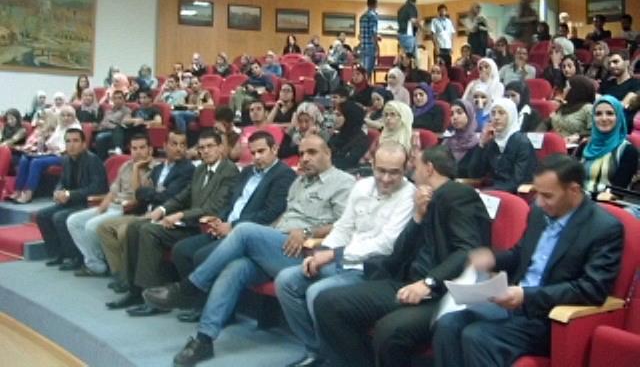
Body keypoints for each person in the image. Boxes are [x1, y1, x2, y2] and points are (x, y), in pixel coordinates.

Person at [142, 135, 355, 366]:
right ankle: (204, 339)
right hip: (281, 245)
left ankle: (188, 288)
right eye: (302, 153)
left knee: (243, 230)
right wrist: (267, 234)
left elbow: (344, 225)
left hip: (308, 253)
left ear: (328, 153)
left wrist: (306, 232)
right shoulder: (300, 182)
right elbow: (285, 217)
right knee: (235, 269)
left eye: (312, 152)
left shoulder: (343, 182)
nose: (304, 158)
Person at [432, 154, 623, 367]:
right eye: (537, 193)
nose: (539, 202)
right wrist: (492, 258)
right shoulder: (539, 212)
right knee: (447, 324)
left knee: (477, 336)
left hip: (550, 316)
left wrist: (527, 296)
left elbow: (591, 289)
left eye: (547, 196)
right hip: (515, 304)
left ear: (574, 190)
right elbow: (521, 254)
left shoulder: (604, 228)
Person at [315, 146, 492, 367]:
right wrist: (417, 217)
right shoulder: (424, 199)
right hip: (405, 281)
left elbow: (467, 249)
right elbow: (399, 253)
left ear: (429, 168)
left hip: (441, 292)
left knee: (389, 331)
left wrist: (429, 283)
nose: (412, 172)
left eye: (415, 166)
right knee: (327, 303)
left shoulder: (458, 194)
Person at [275, 141, 416, 367]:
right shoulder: (362, 187)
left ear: (405, 169)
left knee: (317, 293)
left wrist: (334, 255)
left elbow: (386, 245)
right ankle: (317, 351)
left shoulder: (409, 196)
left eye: (394, 172)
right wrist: (322, 252)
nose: (386, 178)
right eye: (381, 170)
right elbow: (343, 227)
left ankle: (335, 358)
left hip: (370, 269)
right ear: (372, 165)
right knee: (286, 281)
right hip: (342, 259)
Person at [121, 130, 240, 317]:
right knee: (135, 227)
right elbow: (183, 196)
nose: (205, 151)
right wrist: (162, 210)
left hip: (204, 226)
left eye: (210, 146)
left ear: (220, 148)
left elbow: (214, 207)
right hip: (189, 223)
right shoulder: (200, 169)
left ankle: (152, 299)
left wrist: (180, 215)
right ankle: (135, 290)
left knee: (149, 231)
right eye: (201, 148)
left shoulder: (229, 171)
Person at [169, 131, 297, 293]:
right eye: (253, 153)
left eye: (261, 151)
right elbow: (231, 202)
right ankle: (193, 299)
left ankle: (197, 297)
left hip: (246, 234)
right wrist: (219, 220)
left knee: (201, 256)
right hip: (225, 227)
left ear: (274, 149)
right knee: (181, 250)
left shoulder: (284, 175)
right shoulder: (247, 171)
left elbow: (270, 213)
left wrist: (232, 226)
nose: (256, 157)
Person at [103, 131, 195, 309]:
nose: (179, 148)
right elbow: (140, 194)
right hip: (151, 213)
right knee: (133, 228)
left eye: (183, 144)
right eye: (174, 144)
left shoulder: (187, 169)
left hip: (169, 218)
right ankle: (134, 291)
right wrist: (154, 193)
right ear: (165, 146)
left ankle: (150, 295)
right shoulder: (159, 168)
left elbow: (168, 197)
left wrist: (152, 193)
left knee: (143, 229)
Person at [66, 133, 154, 276]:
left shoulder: (155, 169)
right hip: (113, 205)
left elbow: (138, 197)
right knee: (74, 221)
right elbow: (113, 192)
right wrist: (100, 209)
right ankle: (96, 263)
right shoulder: (125, 166)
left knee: (91, 226)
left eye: (142, 148)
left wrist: (137, 168)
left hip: (129, 209)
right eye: (134, 148)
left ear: (150, 149)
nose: (138, 152)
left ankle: (101, 263)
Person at [35, 128, 109, 270]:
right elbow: (62, 182)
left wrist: (69, 194)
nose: (71, 145)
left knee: (59, 217)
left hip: (88, 203)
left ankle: (75, 257)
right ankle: (57, 254)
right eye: (68, 141)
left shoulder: (93, 160)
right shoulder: (66, 160)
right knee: (42, 215)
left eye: (75, 141)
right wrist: (58, 191)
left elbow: (97, 188)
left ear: (84, 144)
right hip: (71, 201)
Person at [13, 105, 81, 204]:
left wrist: (57, 149)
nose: (65, 118)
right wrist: (46, 141)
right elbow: (50, 143)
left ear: (74, 117)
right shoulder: (60, 127)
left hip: (66, 156)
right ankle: (18, 190)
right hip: (54, 153)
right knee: (25, 159)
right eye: (63, 115)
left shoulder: (76, 129)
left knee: (36, 162)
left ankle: (28, 193)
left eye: (69, 115)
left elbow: (72, 148)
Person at [467, 97, 537, 192]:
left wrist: (489, 191)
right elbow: (474, 174)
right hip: (490, 192)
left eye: (501, 113)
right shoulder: (491, 140)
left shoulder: (522, 143)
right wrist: (482, 144)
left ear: (511, 115)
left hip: (514, 194)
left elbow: (518, 181)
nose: (496, 117)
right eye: (493, 113)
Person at [576, 96, 638, 197]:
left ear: (619, 117)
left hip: (605, 203)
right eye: (598, 114)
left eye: (610, 113)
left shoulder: (627, 151)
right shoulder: (584, 145)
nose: (604, 118)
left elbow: (617, 192)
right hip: (575, 200)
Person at [546, 75, 595, 142]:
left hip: (575, 145)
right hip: (556, 143)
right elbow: (546, 123)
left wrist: (578, 137)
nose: (564, 89)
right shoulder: (564, 105)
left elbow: (595, 133)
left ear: (576, 90)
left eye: (567, 87)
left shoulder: (588, 108)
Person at [328, 101, 370, 171]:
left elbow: (346, 163)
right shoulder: (338, 134)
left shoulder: (361, 140)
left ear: (349, 118)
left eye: (338, 115)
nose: (334, 118)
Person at [443, 99, 479, 177]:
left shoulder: (478, 144)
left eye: (459, 112)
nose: (455, 117)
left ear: (469, 115)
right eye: (452, 114)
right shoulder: (447, 141)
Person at [94, 90, 131, 159]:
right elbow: (102, 122)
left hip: (115, 132)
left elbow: (125, 122)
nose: (117, 100)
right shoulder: (108, 111)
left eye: (120, 98)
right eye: (115, 98)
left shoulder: (126, 110)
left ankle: (102, 160)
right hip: (102, 130)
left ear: (124, 100)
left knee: (100, 137)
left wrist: (110, 124)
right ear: (112, 100)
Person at [358, 0, 379, 76]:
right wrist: (377, 47)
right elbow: (373, 33)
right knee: (368, 72)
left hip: (362, 47)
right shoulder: (373, 16)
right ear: (375, 4)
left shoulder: (362, 16)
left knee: (362, 71)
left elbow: (361, 34)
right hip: (370, 47)